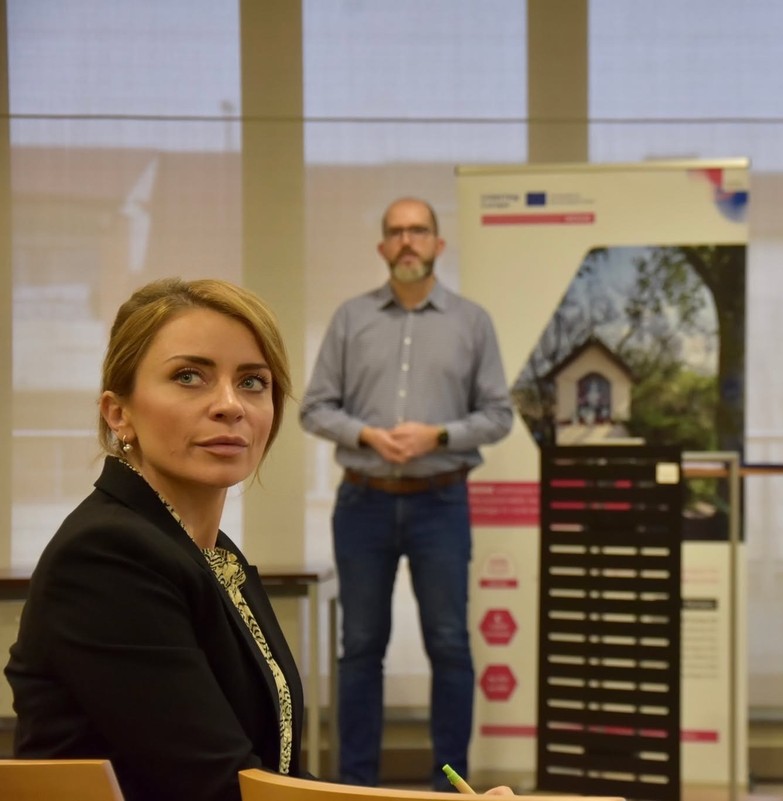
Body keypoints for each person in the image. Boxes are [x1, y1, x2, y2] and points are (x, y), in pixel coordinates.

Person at [4, 278, 304, 801]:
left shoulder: (209, 551)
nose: (230, 405)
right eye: (189, 376)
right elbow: (220, 786)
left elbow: (270, 772)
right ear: (119, 413)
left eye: (253, 381)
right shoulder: (106, 555)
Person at [300, 197, 514, 789]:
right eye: (396, 232)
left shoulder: (472, 322)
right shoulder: (351, 319)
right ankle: (357, 787)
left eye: (418, 230)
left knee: (449, 644)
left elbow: (499, 415)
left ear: (438, 245)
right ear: (382, 247)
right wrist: (366, 435)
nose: (407, 240)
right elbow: (314, 408)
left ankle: (453, 789)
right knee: (360, 647)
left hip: (440, 503)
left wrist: (437, 436)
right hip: (362, 502)